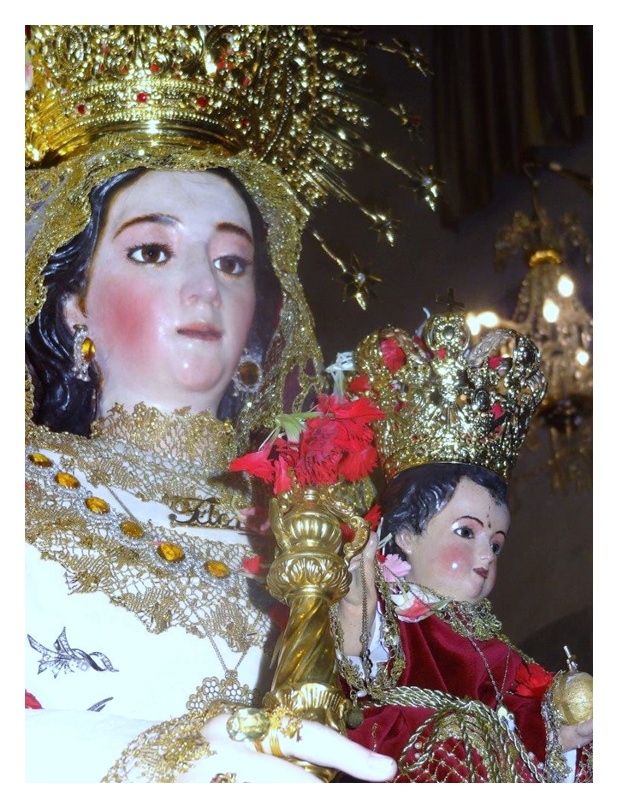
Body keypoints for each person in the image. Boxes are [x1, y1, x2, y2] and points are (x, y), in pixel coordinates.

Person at [25, 25, 400, 783]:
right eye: (153, 252)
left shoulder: (317, 514)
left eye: (231, 262)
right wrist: (186, 763)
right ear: (74, 303)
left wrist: (364, 657)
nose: (205, 288)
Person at [335, 311, 593, 782]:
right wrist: (356, 604)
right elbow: (356, 670)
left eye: (496, 543)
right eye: (466, 533)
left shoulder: (492, 641)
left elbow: (521, 712)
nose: (487, 556)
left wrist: (561, 721)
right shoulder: (392, 616)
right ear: (407, 535)